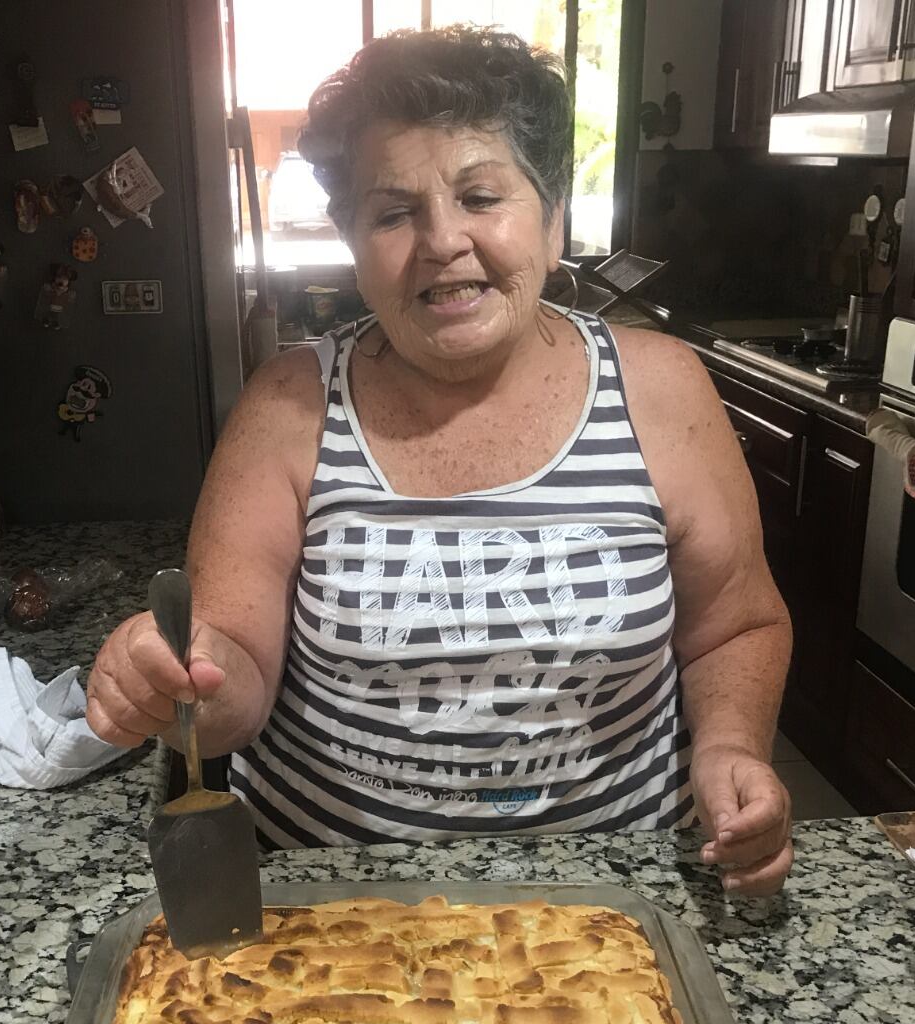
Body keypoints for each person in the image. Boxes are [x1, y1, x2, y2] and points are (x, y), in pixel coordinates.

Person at [86, 27, 794, 895]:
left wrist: (729, 748)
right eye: (393, 212)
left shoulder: (662, 390)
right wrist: (180, 679)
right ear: (352, 241)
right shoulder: (288, 405)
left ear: (552, 216)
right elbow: (233, 676)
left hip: (610, 911)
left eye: (481, 195)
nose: (442, 241)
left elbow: (738, 623)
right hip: (339, 911)